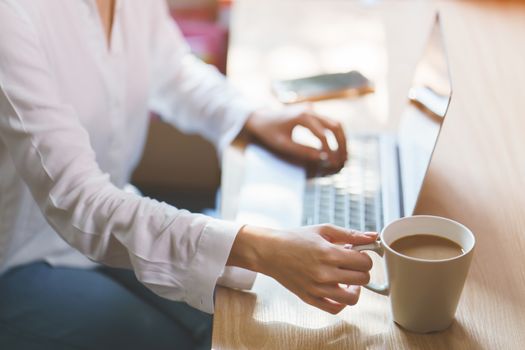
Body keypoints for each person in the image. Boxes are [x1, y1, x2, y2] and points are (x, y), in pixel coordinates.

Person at [0, 0, 376, 349]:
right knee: (184, 340)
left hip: (108, 221)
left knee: (238, 321)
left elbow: (171, 69)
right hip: (18, 259)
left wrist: (247, 115)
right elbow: (78, 201)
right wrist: (260, 247)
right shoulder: (11, 17)